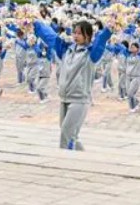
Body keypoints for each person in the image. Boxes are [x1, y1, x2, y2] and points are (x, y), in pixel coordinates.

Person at [34, 18, 112, 151]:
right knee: (70, 135)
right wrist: (36, 24)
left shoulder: (91, 53)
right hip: (64, 98)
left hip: (79, 99)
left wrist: (108, 30)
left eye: (79, 33)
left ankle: (63, 161)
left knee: (66, 132)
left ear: (87, 35)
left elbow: (100, 42)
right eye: (74, 33)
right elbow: (51, 37)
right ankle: (83, 159)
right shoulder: (66, 49)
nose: (75, 36)